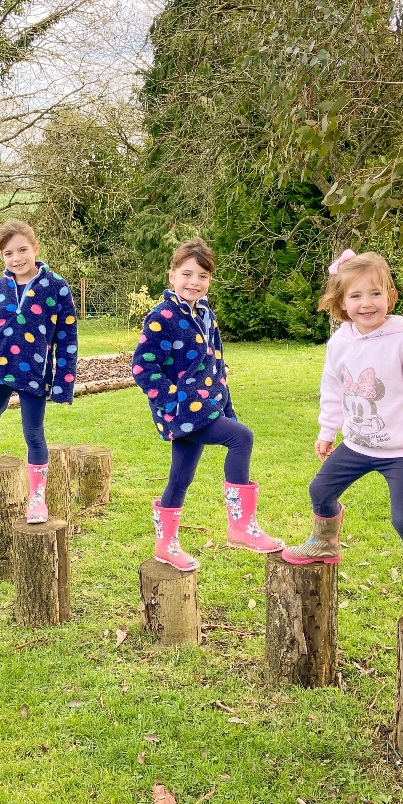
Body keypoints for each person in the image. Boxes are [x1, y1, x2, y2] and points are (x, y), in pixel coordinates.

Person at [282, 249, 403, 630]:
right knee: (319, 492)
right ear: (341, 302)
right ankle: (325, 542)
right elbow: (333, 389)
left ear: (390, 296)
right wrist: (328, 430)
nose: (366, 303)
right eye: (355, 296)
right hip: (356, 446)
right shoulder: (340, 343)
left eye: (374, 293)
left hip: (400, 452)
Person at [131, 238, 283, 571]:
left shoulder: (206, 315)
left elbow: (216, 365)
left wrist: (226, 408)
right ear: (171, 275)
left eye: (202, 276)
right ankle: (240, 526)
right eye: (187, 274)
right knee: (241, 437)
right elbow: (142, 367)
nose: (194, 282)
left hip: (206, 406)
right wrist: (172, 401)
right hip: (182, 410)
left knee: (180, 477)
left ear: (209, 280)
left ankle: (165, 544)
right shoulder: (162, 316)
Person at [0, 220, 78, 524]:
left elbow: (67, 339)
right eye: (9, 253)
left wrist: (63, 383)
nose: (17, 258)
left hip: (35, 372)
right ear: (2, 257)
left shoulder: (57, 287)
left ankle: (37, 498)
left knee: (34, 434)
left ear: (35, 249)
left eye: (22, 250)